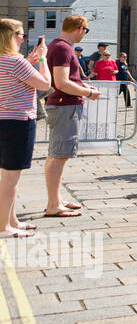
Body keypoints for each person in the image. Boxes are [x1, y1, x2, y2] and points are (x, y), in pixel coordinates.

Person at [0, 20, 52, 237]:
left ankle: (12, 220)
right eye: (21, 34)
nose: (24, 37)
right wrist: (42, 59)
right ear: (12, 36)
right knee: (11, 177)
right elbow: (45, 84)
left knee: (7, 175)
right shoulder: (15, 61)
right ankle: (3, 227)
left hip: (4, 119)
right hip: (19, 122)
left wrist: (28, 62)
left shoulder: (9, 61)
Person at [45, 16, 98, 218]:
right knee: (59, 156)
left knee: (56, 154)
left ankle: (56, 199)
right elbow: (62, 83)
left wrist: (84, 87)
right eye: (86, 30)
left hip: (62, 105)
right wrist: (88, 93)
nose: (85, 34)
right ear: (79, 28)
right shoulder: (64, 48)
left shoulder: (57, 46)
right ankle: (53, 204)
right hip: (65, 106)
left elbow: (67, 80)